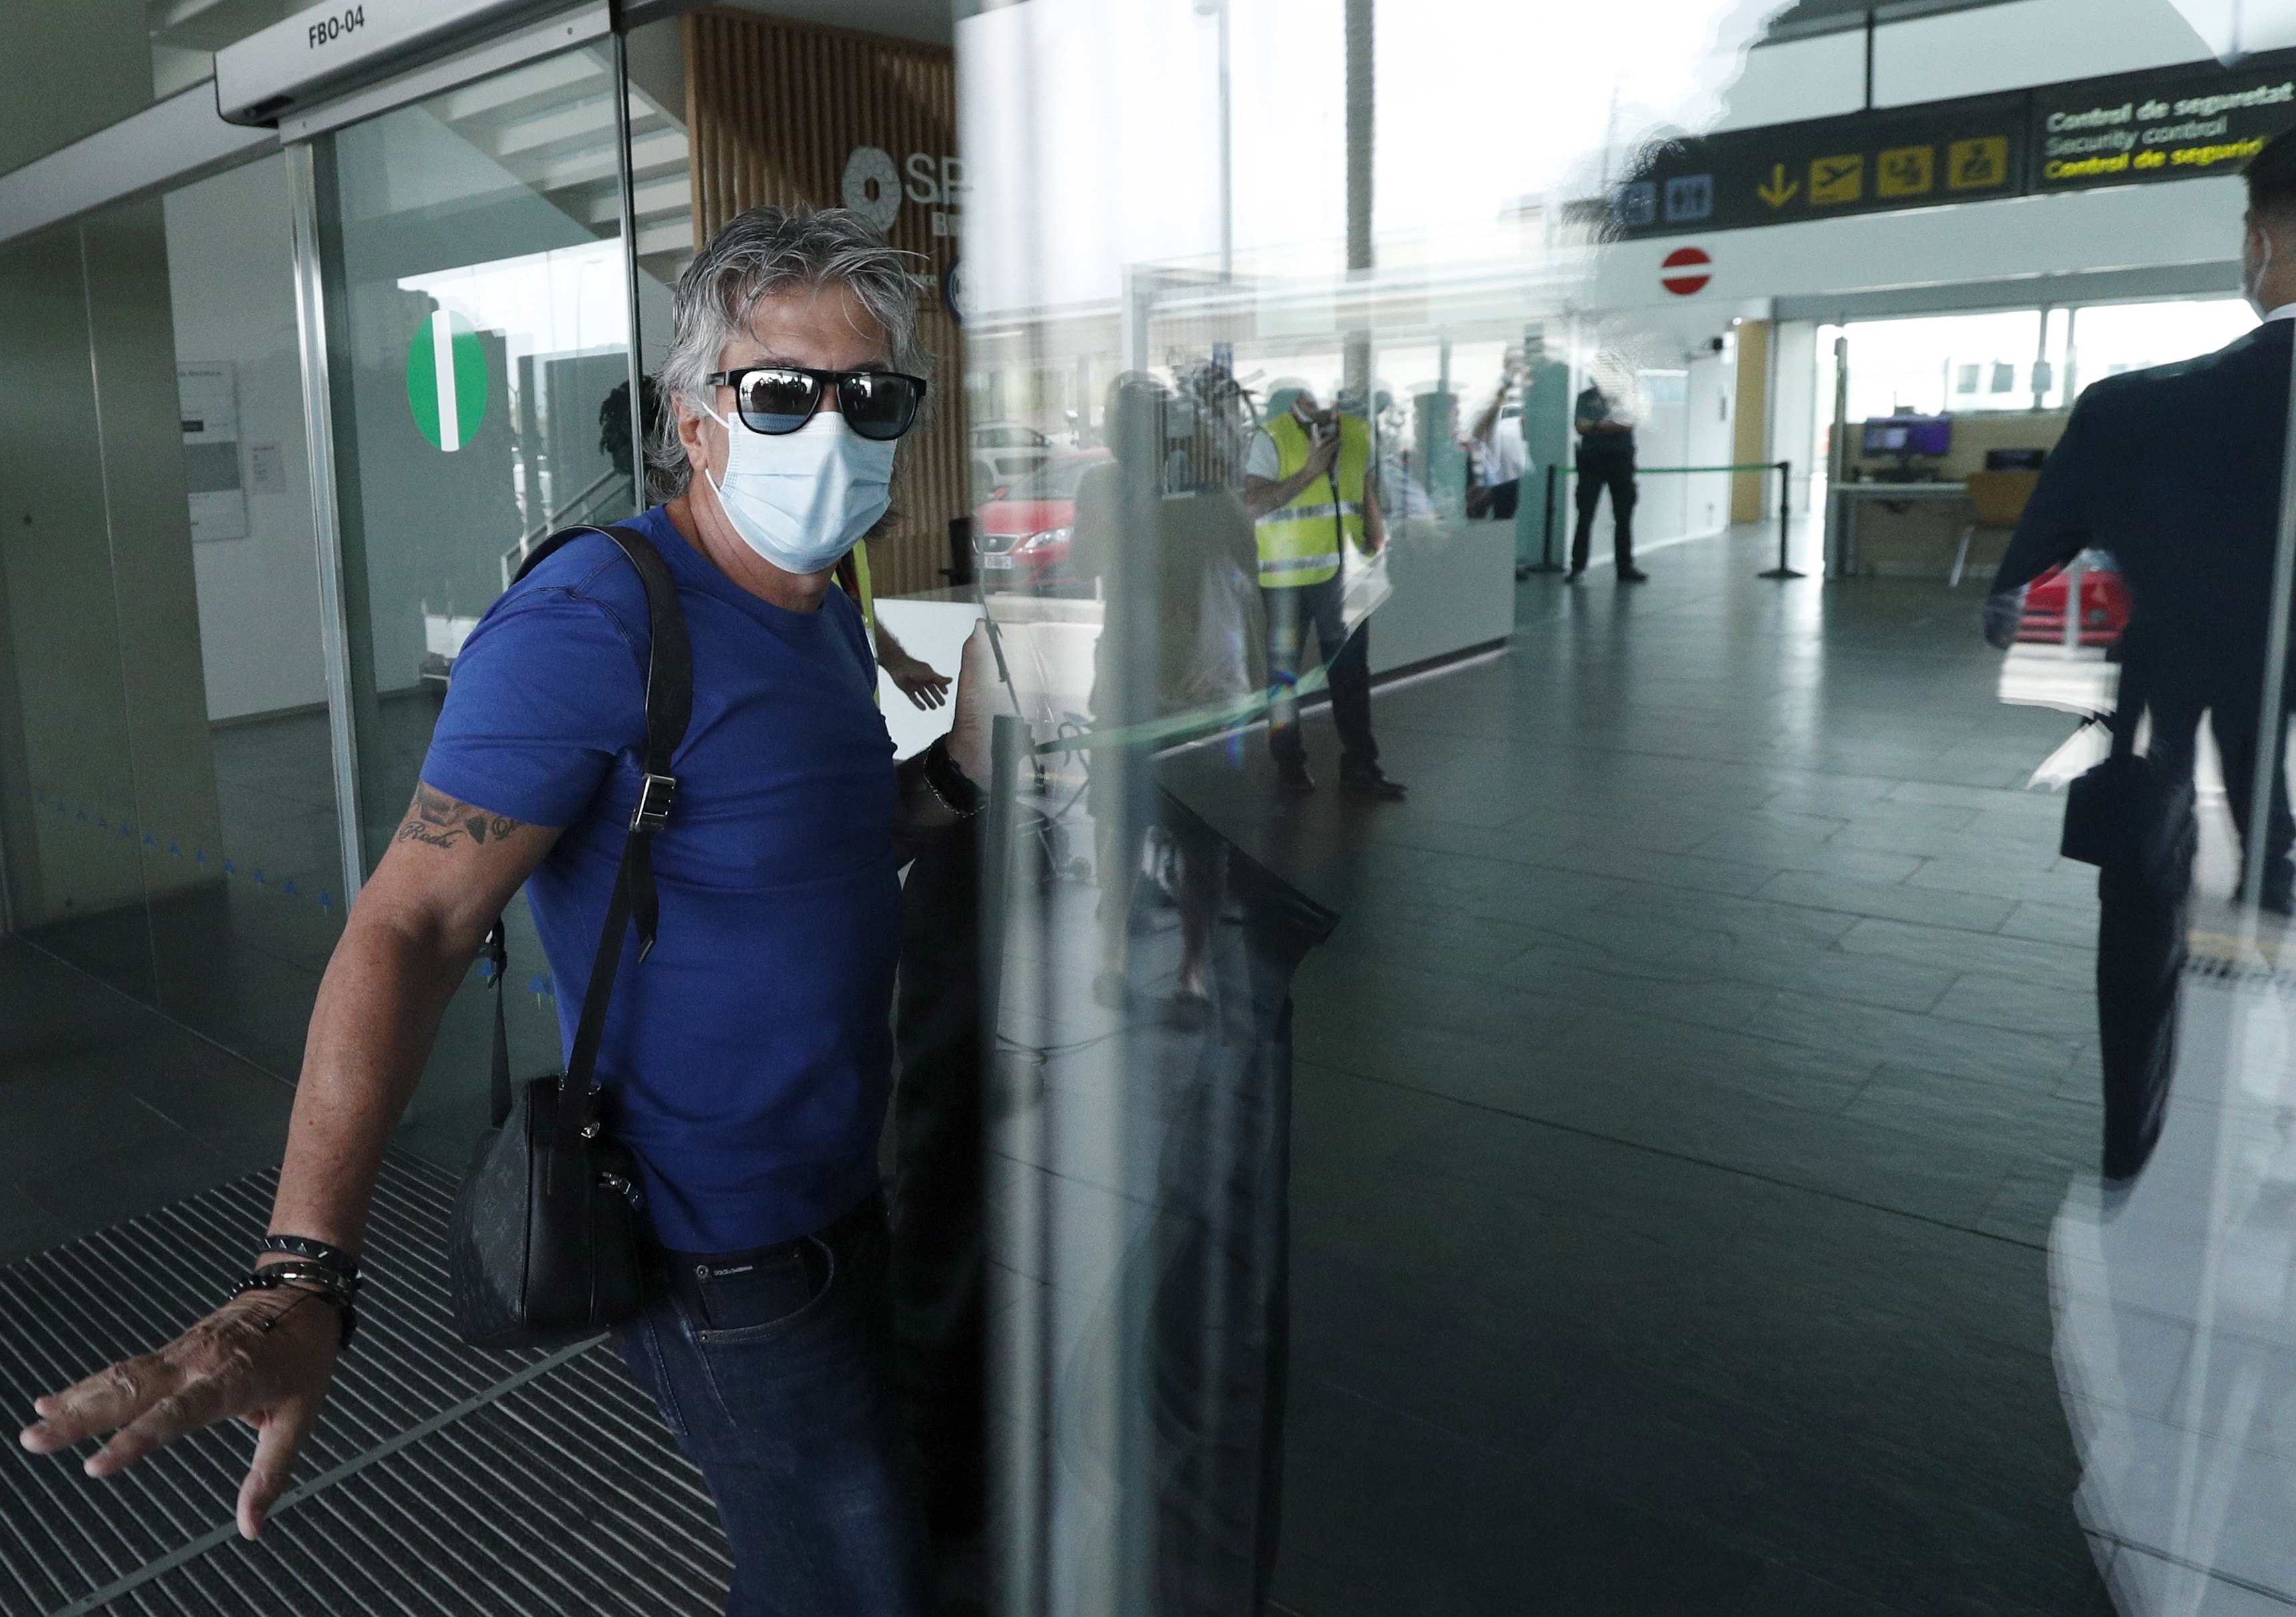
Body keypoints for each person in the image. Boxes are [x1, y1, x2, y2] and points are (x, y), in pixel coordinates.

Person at [19, 205, 994, 1617]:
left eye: (871, 398)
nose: (831, 433)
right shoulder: (595, 622)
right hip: (716, 1234)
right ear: (693, 420)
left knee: (856, 1540)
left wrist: (956, 772)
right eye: (782, 392)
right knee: (854, 1580)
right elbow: (407, 927)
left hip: (835, 1180)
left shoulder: (820, 606)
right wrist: (300, 1274)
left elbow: (823, 839)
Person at [1987, 131, 2296, 915]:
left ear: (2258, 242)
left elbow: (2020, 608)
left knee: (2153, 994)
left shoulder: (2131, 412)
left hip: (2163, 787)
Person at [1073, 368, 1266, 1025]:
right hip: (1130, 693)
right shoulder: (1104, 485)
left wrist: (1259, 689)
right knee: (1119, 828)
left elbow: (1247, 572)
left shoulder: (1206, 492)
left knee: (1201, 844)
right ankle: (1110, 962)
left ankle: (1192, 975)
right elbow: (1084, 563)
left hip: (1202, 698)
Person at [1242, 386, 1406, 799]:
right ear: (1300, 395)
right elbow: (1254, 504)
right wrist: (1309, 471)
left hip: (1348, 571)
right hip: (1286, 578)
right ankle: (1289, 763)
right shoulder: (1271, 436)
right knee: (1283, 675)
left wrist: (1377, 533)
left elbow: (1364, 486)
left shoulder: (1357, 430)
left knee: (1352, 673)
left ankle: (1361, 766)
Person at [1570, 376, 1647, 583]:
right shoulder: (1585, 398)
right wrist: (1608, 425)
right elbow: (1580, 427)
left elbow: (1627, 424)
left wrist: (1595, 426)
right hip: (1591, 462)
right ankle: (1577, 567)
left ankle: (1625, 566)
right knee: (1585, 515)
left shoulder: (1627, 397)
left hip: (1620, 460)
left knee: (1623, 516)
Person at [1465, 359, 1528, 521]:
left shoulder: (1549, 440)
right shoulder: (1504, 427)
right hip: (1502, 516)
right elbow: (1478, 434)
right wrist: (1502, 394)